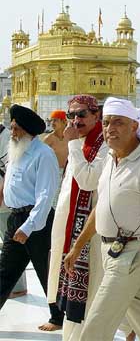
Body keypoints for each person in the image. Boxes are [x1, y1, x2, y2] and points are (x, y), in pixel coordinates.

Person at [64, 97, 140, 341]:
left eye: (118, 122)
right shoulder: (110, 159)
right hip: (111, 251)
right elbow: (101, 208)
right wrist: (77, 247)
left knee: (98, 320)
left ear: (135, 126)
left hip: (133, 253)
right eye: (106, 123)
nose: (110, 128)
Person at [47, 95, 109, 341]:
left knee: (92, 295)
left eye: (82, 114)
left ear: (96, 115)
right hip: (69, 231)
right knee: (76, 298)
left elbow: (89, 181)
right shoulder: (81, 143)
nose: (75, 120)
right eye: (71, 115)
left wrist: (72, 145)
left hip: (92, 234)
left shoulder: (104, 145)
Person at [0, 104, 64, 331]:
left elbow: (46, 196)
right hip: (15, 220)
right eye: (12, 127)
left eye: (16, 129)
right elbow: (9, 183)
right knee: (5, 271)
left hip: (37, 223)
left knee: (46, 271)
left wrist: (29, 227)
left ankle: (58, 318)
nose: (12, 132)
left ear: (27, 130)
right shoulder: (16, 150)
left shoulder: (43, 154)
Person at [0, 123, 27, 298]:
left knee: (12, 245)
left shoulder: (4, 135)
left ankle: (17, 287)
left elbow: (10, 166)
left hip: (4, 201)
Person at [43, 110, 68, 210]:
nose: (52, 123)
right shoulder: (49, 138)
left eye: (56, 120)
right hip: (54, 173)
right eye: (51, 121)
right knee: (54, 202)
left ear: (64, 122)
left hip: (68, 173)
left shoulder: (70, 137)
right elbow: (41, 158)